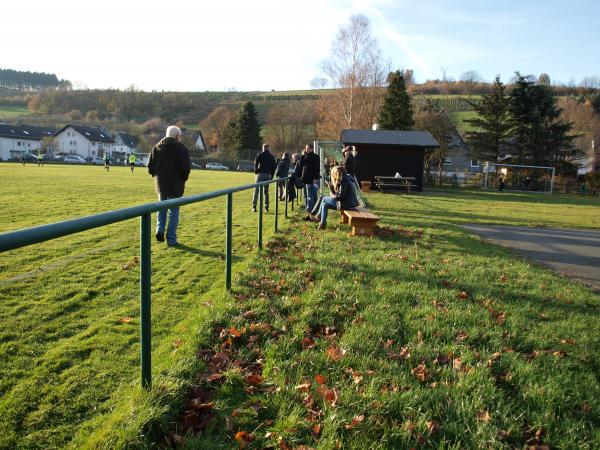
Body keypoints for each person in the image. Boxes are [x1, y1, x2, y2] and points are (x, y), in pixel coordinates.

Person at [147, 125, 191, 246]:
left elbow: (150, 167)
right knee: (174, 212)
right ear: (177, 136)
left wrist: (157, 176)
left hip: (161, 185)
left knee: (162, 209)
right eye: (179, 136)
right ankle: (171, 239)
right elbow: (186, 168)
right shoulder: (181, 149)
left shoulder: (156, 148)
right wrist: (183, 179)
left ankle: (159, 230)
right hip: (176, 185)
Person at [312, 166, 359, 230]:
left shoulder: (343, 180)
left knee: (324, 198)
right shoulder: (347, 177)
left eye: (335, 174)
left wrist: (331, 192)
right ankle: (322, 223)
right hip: (350, 203)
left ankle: (318, 217)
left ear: (338, 173)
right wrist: (332, 188)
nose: (334, 176)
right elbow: (340, 194)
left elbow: (340, 197)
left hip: (347, 204)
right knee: (324, 204)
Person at [298, 143, 320, 220]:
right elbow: (300, 164)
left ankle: (311, 215)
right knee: (310, 197)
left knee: (311, 197)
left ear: (311, 149)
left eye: (307, 148)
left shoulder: (316, 157)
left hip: (312, 180)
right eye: (306, 148)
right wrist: (303, 155)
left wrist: (315, 179)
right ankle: (312, 214)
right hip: (306, 180)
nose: (306, 150)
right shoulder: (305, 156)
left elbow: (317, 169)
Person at [252, 144, 276, 212]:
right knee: (266, 192)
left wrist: (256, 171)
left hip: (260, 174)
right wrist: (272, 176)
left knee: (256, 190)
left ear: (263, 148)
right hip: (268, 175)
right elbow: (273, 167)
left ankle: (254, 206)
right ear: (268, 148)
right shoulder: (271, 156)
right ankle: (266, 207)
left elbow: (256, 163)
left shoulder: (260, 154)